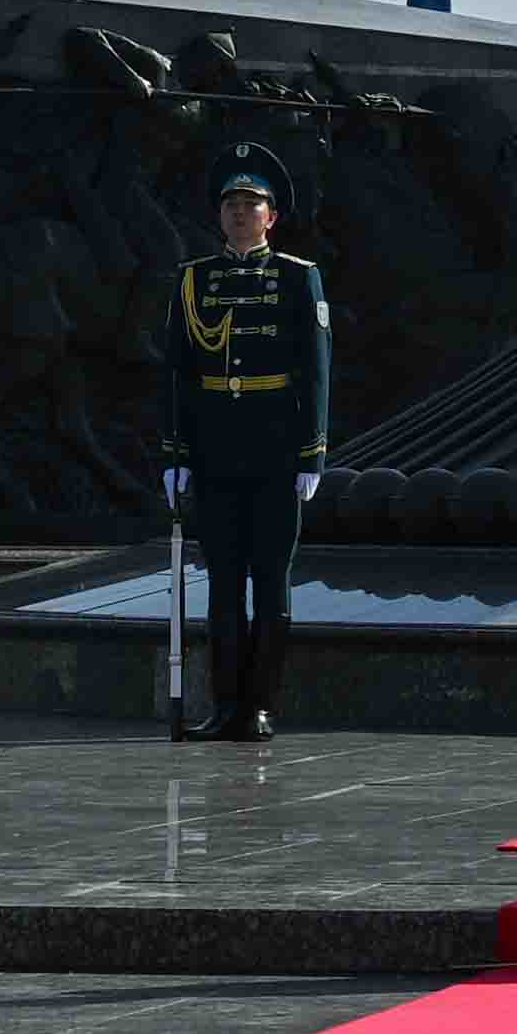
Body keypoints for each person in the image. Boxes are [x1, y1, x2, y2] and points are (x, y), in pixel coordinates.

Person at [164, 150, 334, 746]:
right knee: (223, 583)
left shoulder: (297, 276)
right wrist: (175, 455)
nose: (239, 213)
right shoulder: (193, 280)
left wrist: (312, 454)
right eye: (231, 205)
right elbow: (178, 373)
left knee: (270, 580)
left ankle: (259, 706)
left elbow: (316, 371)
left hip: (274, 452)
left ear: (271, 216)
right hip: (215, 452)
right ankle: (224, 705)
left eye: (251, 205)